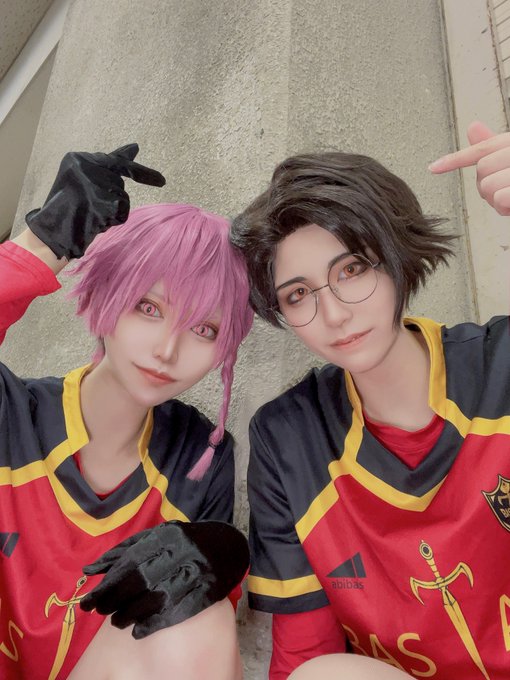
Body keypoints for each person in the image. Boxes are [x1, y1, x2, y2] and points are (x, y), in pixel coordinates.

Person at [230, 121, 510, 679]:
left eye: (352, 269)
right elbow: (306, 651)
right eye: (298, 294)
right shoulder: (290, 437)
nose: (334, 314)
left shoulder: (499, 364)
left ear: (396, 254)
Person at [0, 144, 253, 680]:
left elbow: (194, 646)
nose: (167, 350)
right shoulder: (11, 412)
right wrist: (40, 245)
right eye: (148, 307)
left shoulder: (199, 456)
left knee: (199, 620)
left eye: (204, 328)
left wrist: (228, 552)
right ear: (105, 294)